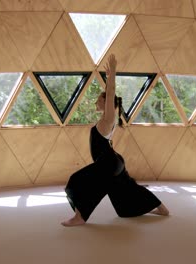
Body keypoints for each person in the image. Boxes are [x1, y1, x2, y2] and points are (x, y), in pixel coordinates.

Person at [61, 54, 169, 227]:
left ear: (106, 102)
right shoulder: (107, 120)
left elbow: (111, 92)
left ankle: (79, 217)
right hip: (113, 161)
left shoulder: (108, 118)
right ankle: (160, 207)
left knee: (76, 181)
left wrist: (112, 74)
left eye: (99, 99)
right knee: (124, 201)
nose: (96, 101)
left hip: (108, 163)